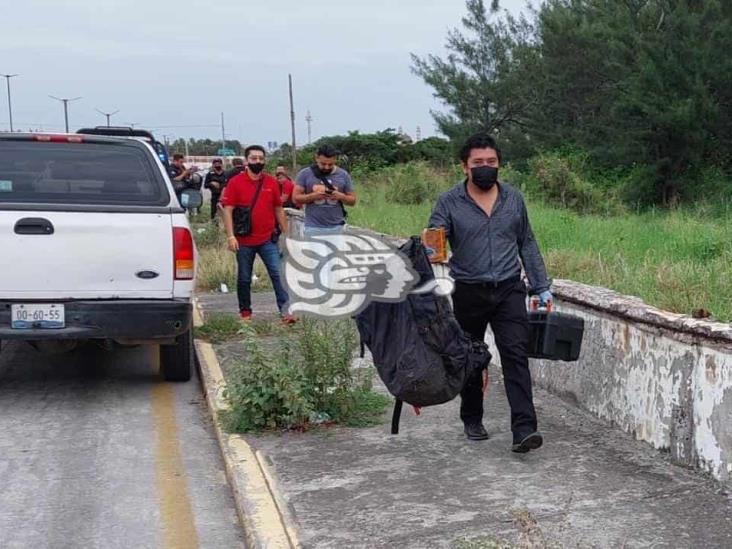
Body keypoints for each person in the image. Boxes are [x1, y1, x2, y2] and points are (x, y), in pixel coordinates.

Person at [427, 133, 552, 453]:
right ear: (465, 166)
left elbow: (526, 241)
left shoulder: (513, 199)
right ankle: (471, 417)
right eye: (478, 163)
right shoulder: (449, 201)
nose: (486, 168)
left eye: (492, 162)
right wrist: (431, 252)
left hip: (510, 288)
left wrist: (541, 286)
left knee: (515, 355)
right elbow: (434, 240)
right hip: (468, 290)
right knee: (471, 358)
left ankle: (524, 428)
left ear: (499, 164)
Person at [221, 145, 296, 324]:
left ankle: (286, 312)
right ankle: (245, 312)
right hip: (244, 240)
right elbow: (228, 210)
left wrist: (287, 235)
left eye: (261, 158)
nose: (258, 162)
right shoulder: (235, 183)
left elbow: (278, 209)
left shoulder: (271, 182)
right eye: (254, 158)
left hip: (268, 239)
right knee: (245, 277)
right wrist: (231, 236)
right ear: (247, 161)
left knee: (278, 274)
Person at [293, 144, 357, 235]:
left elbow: (353, 201)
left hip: (337, 227)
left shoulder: (343, 175)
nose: (326, 167)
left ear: (335, 159)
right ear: (316, 158)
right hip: (313, 227)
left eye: (330, 164)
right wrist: (313, 196)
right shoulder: (305, 174)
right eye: (323, 164)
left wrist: (341, 196)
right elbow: (295, 198)